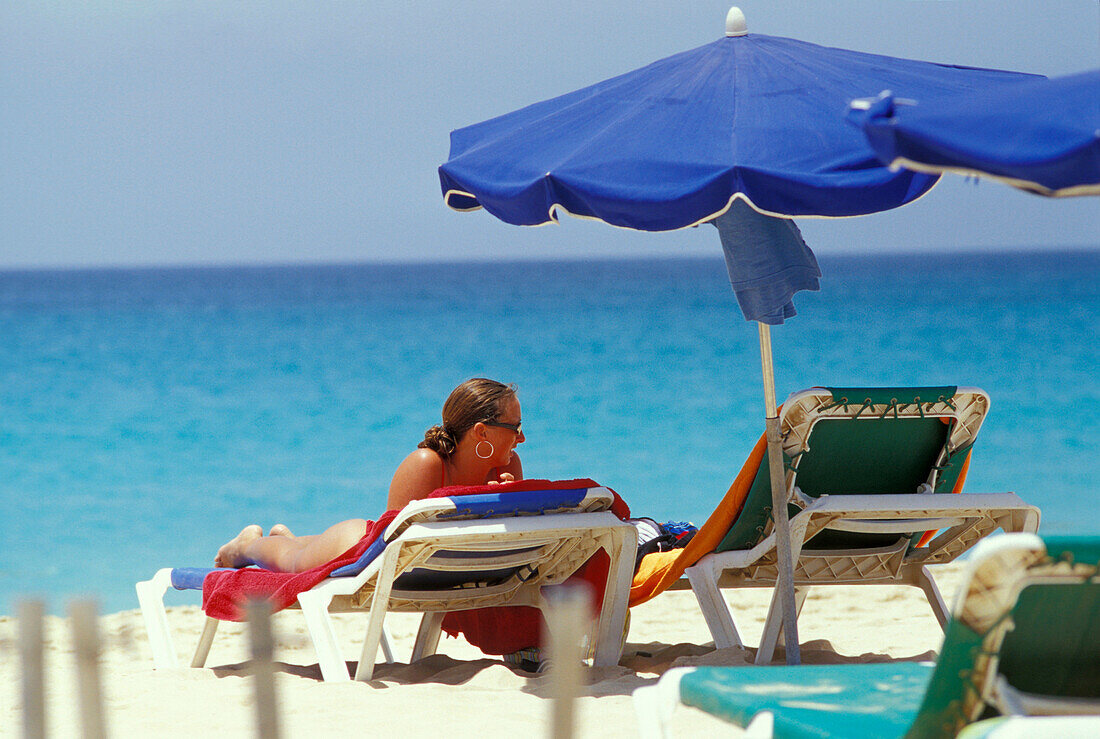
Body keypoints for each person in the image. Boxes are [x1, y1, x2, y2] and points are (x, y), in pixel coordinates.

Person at [213, 378, 526, 572]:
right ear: (481, 432)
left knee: (302, 550)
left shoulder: (508, 469)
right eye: (515, 428)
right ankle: (244, 546)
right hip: (358, 545)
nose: (521, 438)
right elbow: (392, 542)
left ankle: (289, 540)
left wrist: (504, 508)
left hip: (422, 561)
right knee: (295, 562)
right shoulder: (427, 464)